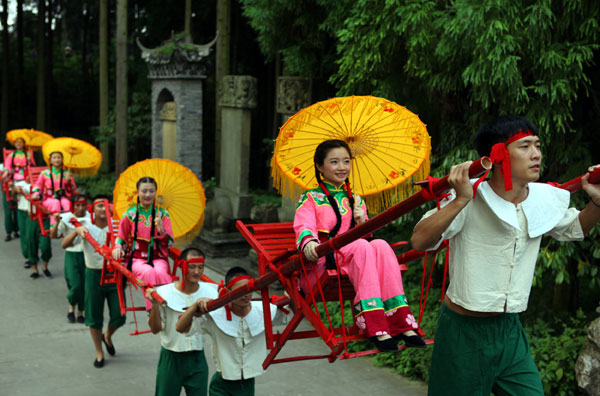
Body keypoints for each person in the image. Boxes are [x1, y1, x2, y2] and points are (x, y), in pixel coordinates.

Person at [410, 115, 600, 396]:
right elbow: (419, 241)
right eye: (524, 146)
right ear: (497, 155)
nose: (536, 154)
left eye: (537, 145)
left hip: (509, 329)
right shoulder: (469, 196)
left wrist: (596, 201)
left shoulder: (541, 197)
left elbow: (576, 227)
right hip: (464, 332)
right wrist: (461, 199)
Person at [294, 139, 425, 352]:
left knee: (381, 244)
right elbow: (304, 226)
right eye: (334, 162)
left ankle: (402, 323)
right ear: (320, 166)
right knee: (363, 247)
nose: (342, 167)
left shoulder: (356, 199)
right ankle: (375, 326)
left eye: (346, 161)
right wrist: (309, 241)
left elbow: (366, 237)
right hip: (323, 263)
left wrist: (362, 222)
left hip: (354, 260)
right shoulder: (310, 198)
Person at [176, 267, 290, 396]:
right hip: (222, 386)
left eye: (250, 289)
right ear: (228, 291)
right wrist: (195, 305)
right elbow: (180, 328)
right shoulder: (215, 314)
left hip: (247, 385)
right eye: (240, 291)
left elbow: (293, 304)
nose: (246, 295)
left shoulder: (264, 310)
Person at [63, 195, 126, 368]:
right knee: (93, 316)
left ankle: (108, 336)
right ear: (93, 209)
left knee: (120, 316)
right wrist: (76, 231)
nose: (104, 209)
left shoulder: (118, 225)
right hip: (93, 275)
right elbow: (64, 244)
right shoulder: (86, 225)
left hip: (115, 275)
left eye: (107, 205)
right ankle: (99, 352)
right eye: (99, 205)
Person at [145, 247, 218, 396]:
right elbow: (155, 329)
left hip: (197, 359)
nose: (196, 272)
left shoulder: (211, 292)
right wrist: (154, 304)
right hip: (171, 359)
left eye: (200, 267)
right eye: (192, 267)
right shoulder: (163, 292)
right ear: (181, 265)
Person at [112, 176, 174, 310]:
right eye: (144, 191)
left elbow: (169, 242)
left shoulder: (163, 214)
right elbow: (121, 236)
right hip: (138, 258)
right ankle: (152, 310)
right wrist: (117, 247)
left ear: (156, 193)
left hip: (158, 257)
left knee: (162, 274)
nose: (148, 195)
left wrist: (161, 229)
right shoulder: (130, 214)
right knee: (147, 272)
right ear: (137, 192)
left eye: (151, 191)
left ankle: (168, 308)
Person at [50, 194, 90, 323]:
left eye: (83, 204)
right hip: (72, 254)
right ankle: (71, 304)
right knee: (75, 284)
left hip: (87, 255)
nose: (81, 208)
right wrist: (56, 223)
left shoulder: (91, 217)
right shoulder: (66, 218)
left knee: (84, 285)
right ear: (73, 206)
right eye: (78, 205)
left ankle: (79, 312)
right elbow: (54, 235)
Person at [2, 136, 34, 241]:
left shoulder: (27, 154)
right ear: (14, 144)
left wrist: (29, 159)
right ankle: (8, 231)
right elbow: (7, 167)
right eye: (17, 142)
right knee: (8, 209)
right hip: (13, 181)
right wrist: (6, 175)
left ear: (24, 144)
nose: (19, 144)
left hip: (24, 182)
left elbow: (32, 168)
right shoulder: (11, 155)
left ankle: (17, 230)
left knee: (18, 207)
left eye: (21, 142)